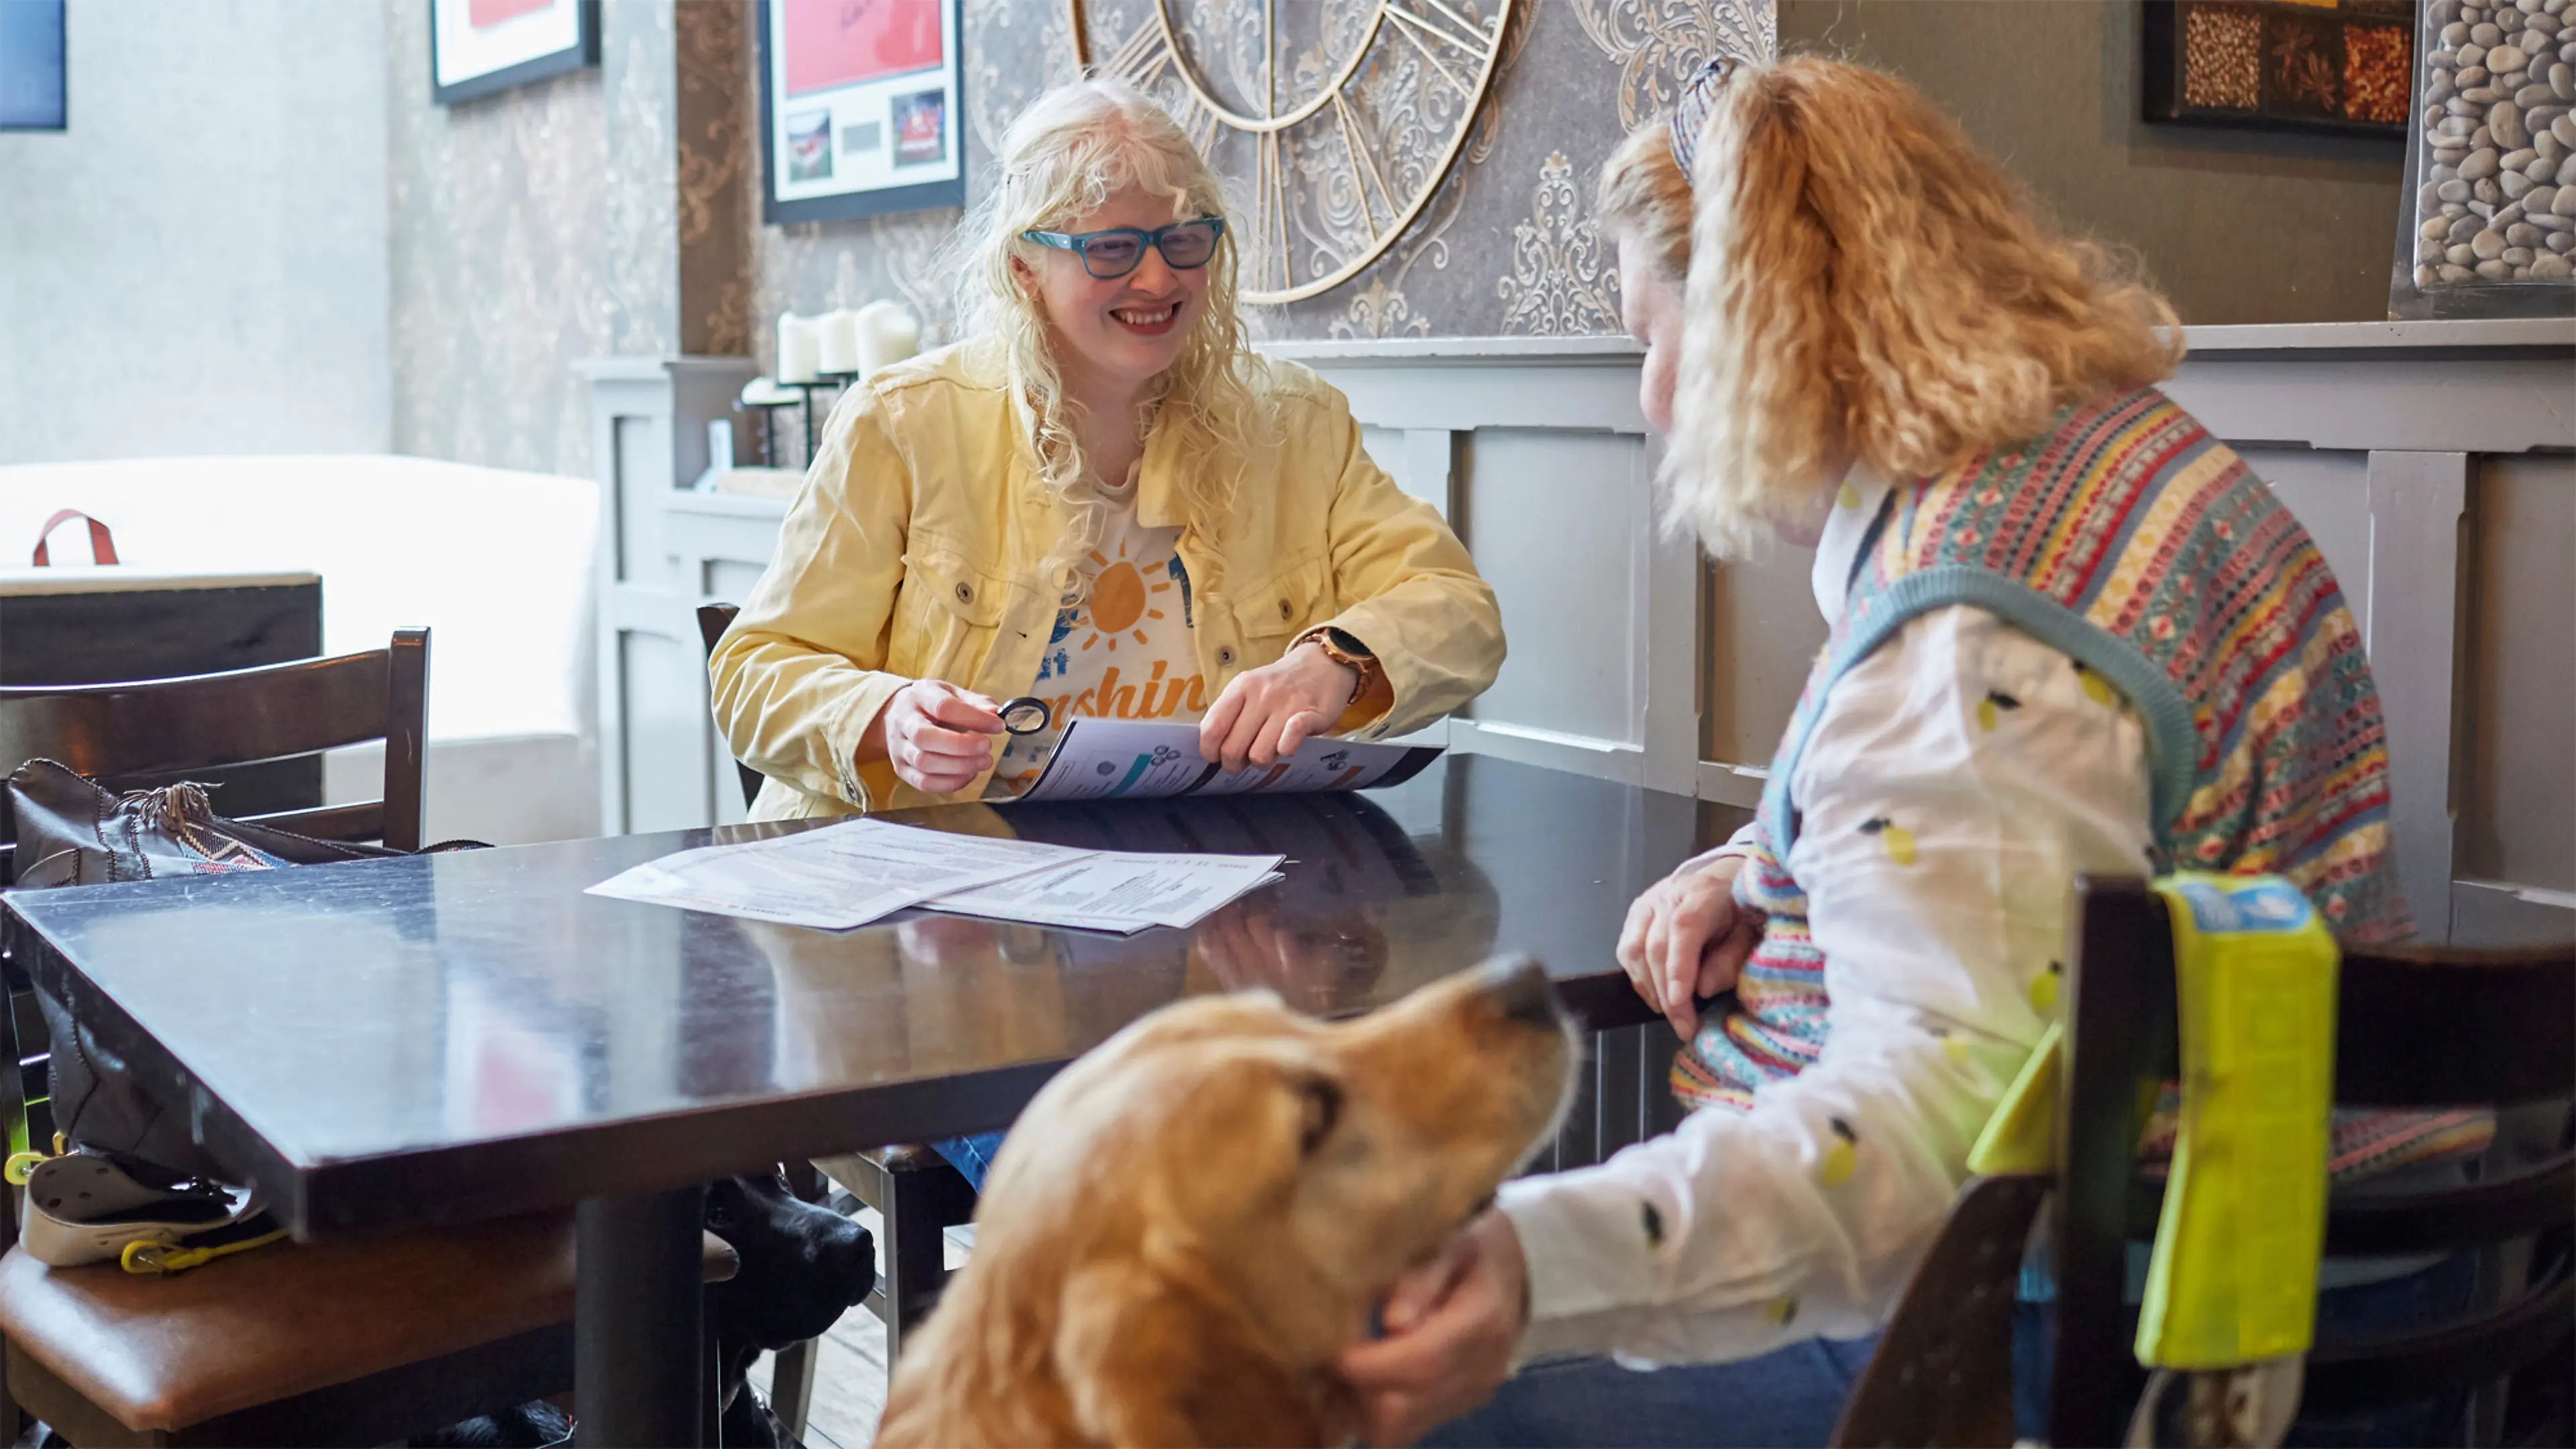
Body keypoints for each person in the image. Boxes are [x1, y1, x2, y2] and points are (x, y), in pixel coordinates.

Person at [1338, 55, 2483, 1448]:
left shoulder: (1967, 624)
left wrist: (1531, 1267)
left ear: (1761, 323)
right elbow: (2028, 829)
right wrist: (1771, 864)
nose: (1648, 394)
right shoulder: (2111, 473)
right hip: (2312, 1272)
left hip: (2118, 1342)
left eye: (1655, 335)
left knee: (1362, 1399)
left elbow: (1931, 1150)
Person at [710, 78, 1503, 1190]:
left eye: (1187, 241)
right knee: (1143, 1188)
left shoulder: (1293, 422)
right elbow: (751, 670)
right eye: (1114, 246)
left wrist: (1338, 663)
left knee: (1385, 1158)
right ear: (1024, 264)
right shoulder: (905, 422)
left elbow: (1458, 613)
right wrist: (879, 714)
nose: (1159, 278)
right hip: (940, 964)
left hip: (1214, 934)